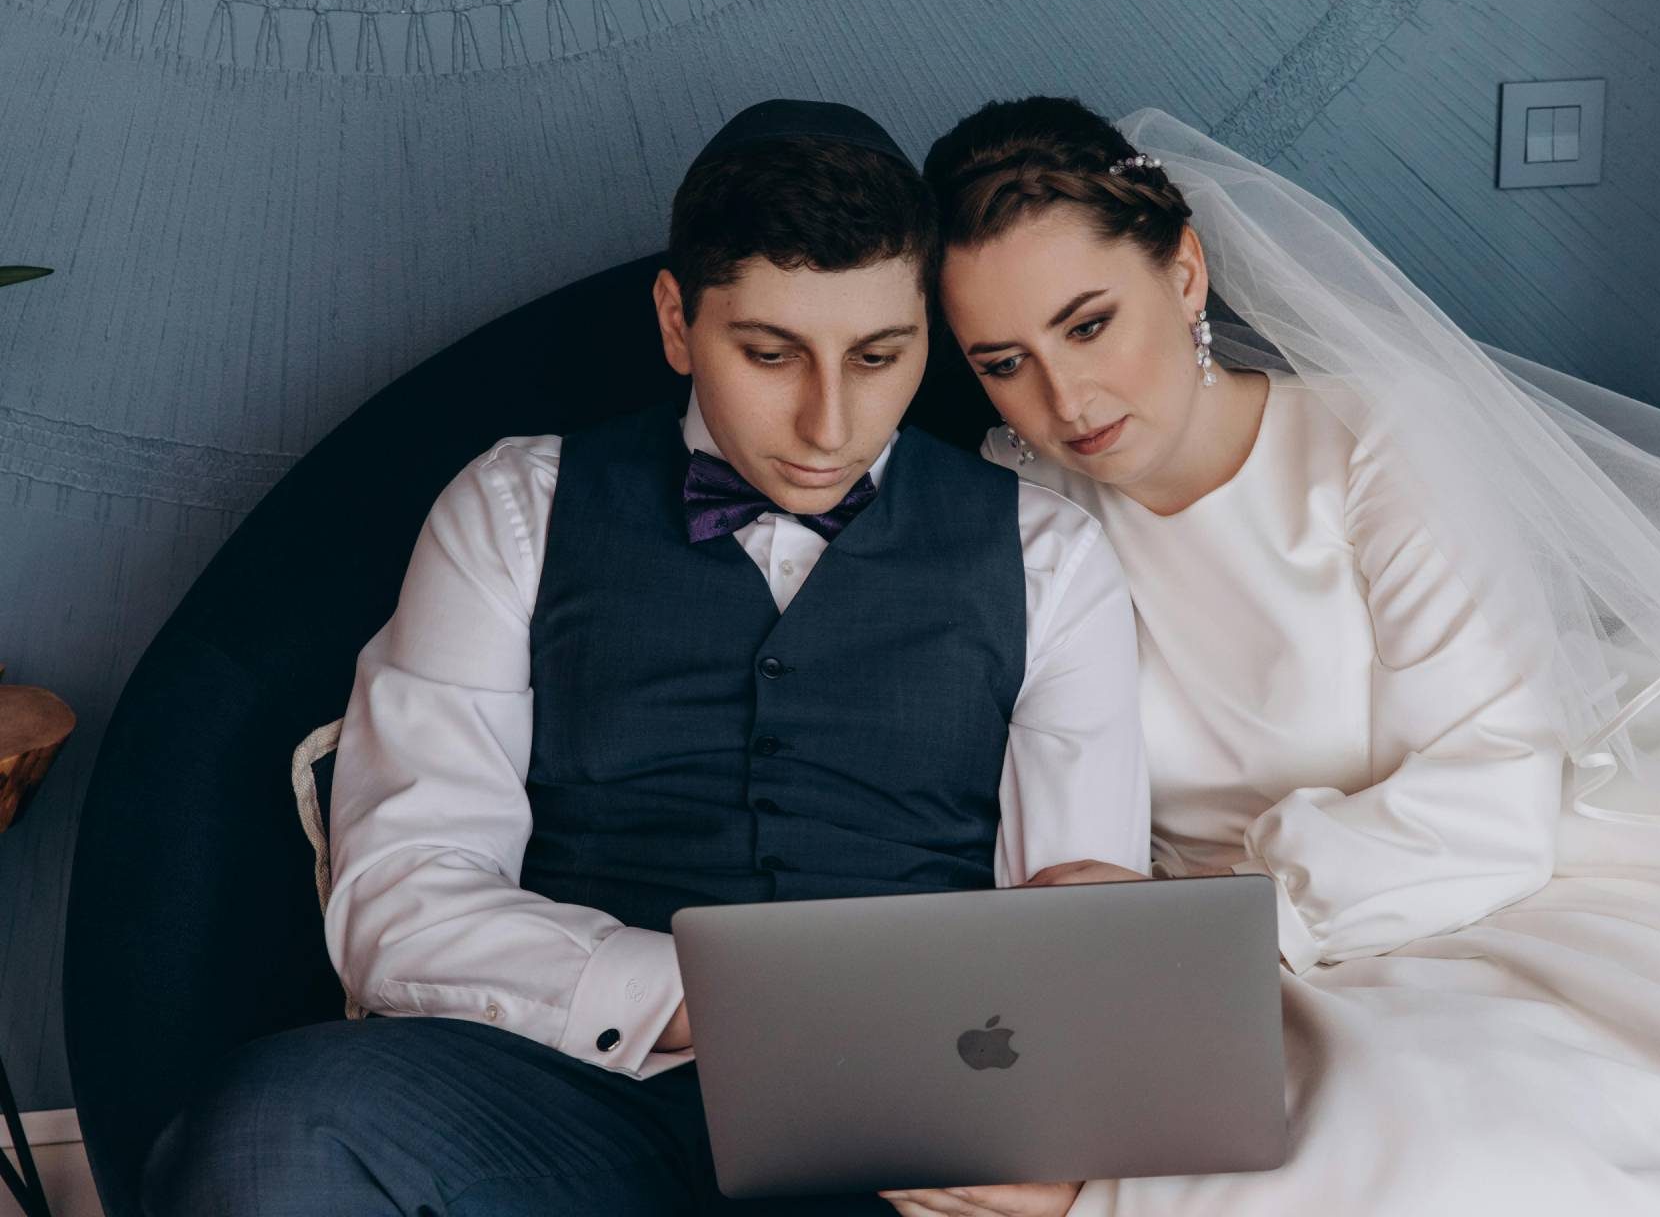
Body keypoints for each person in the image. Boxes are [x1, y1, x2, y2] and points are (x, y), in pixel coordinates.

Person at [882, 96, 1660, 1217]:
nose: (1064, 399)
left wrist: (1215, 928)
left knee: (1429, 1146)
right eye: (1003, 362)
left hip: (1471, 896)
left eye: (1089, 325)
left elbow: (1494, 795)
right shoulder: (1019, 505)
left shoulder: (1374, 439)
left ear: (1185, 272)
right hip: (1194, 962)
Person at [138, 98, 1151, 1216]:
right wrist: (731, 1004)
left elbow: (1073, 926)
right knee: (273, 1124)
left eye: (878, 355)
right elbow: (404, 899)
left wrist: (1041, 1142)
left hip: (879, 1130)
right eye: (770, 353)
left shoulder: (1047, 552)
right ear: (678, 322)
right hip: (560, 1094)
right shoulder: (514, 508)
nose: (827, 422)